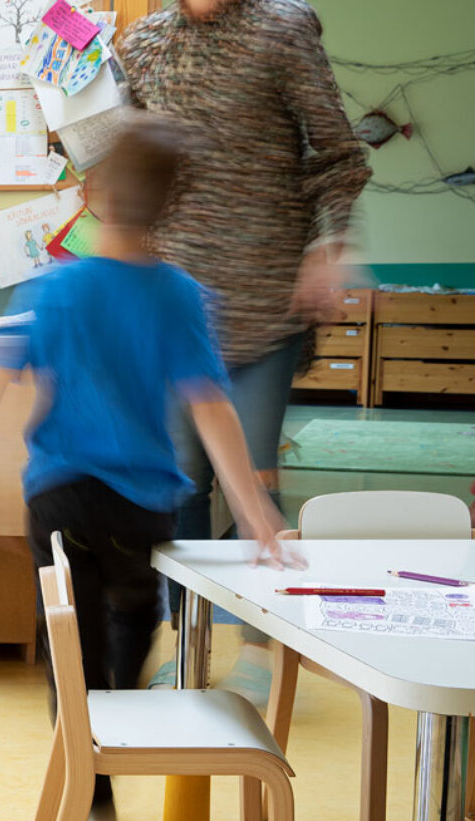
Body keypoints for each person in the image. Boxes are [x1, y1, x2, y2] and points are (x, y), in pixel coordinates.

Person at [0, 116, 294, 821]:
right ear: (171, 208)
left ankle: (93, 800)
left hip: (60, 500)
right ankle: (116, 734)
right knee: (133, 627)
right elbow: (209, 404)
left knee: (66, 652)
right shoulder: (177, 294)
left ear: (90, 195)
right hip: (142, 508)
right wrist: (252, 506)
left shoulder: (58, 289)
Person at [116, 0, 370, 610]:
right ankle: (188, 656)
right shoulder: (141, 44)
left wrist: (329, 245)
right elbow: (134, 169)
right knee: (181, 485)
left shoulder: (283, 28)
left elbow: (338, 155)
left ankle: (264, 650)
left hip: (263, 298)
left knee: (255, 483)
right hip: (173, 309)